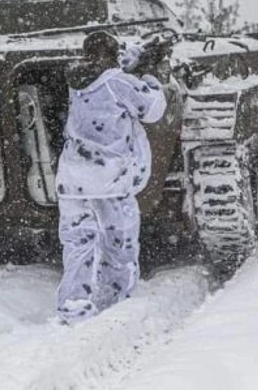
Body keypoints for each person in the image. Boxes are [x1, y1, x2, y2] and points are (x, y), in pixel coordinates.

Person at [54, 31, 167, 323]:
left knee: (77, 245)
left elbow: (102, 79)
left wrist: (131, 66)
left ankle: (74, 305)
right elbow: (153, 109)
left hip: (72, 179)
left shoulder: (75, 81)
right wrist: (151, 76)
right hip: (109, 180)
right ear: (112, 55)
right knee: (118, 244)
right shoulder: (119, 83)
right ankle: (115, 304)